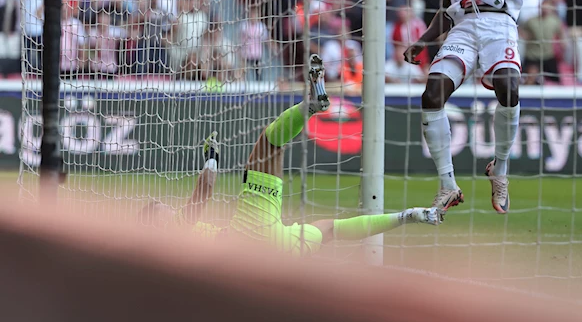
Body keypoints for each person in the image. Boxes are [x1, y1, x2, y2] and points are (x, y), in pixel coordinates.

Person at [403, 0, 582, 214]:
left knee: (509, 86)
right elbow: (444, 6)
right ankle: (447, 184)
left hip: (500, 23)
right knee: (432, 92)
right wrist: (424, 40)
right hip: (465, 25)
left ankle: (501, 168)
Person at [139, 54, 444, 253]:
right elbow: (205, 189)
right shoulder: (172, 233)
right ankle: (310, 105)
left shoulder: (173, 253)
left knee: (331, 230)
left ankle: (409, 215)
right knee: (269, 142)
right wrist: (212, 158)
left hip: (273, 253)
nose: (166, 206)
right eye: (160, 207)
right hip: (249, 236)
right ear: (157, 223)